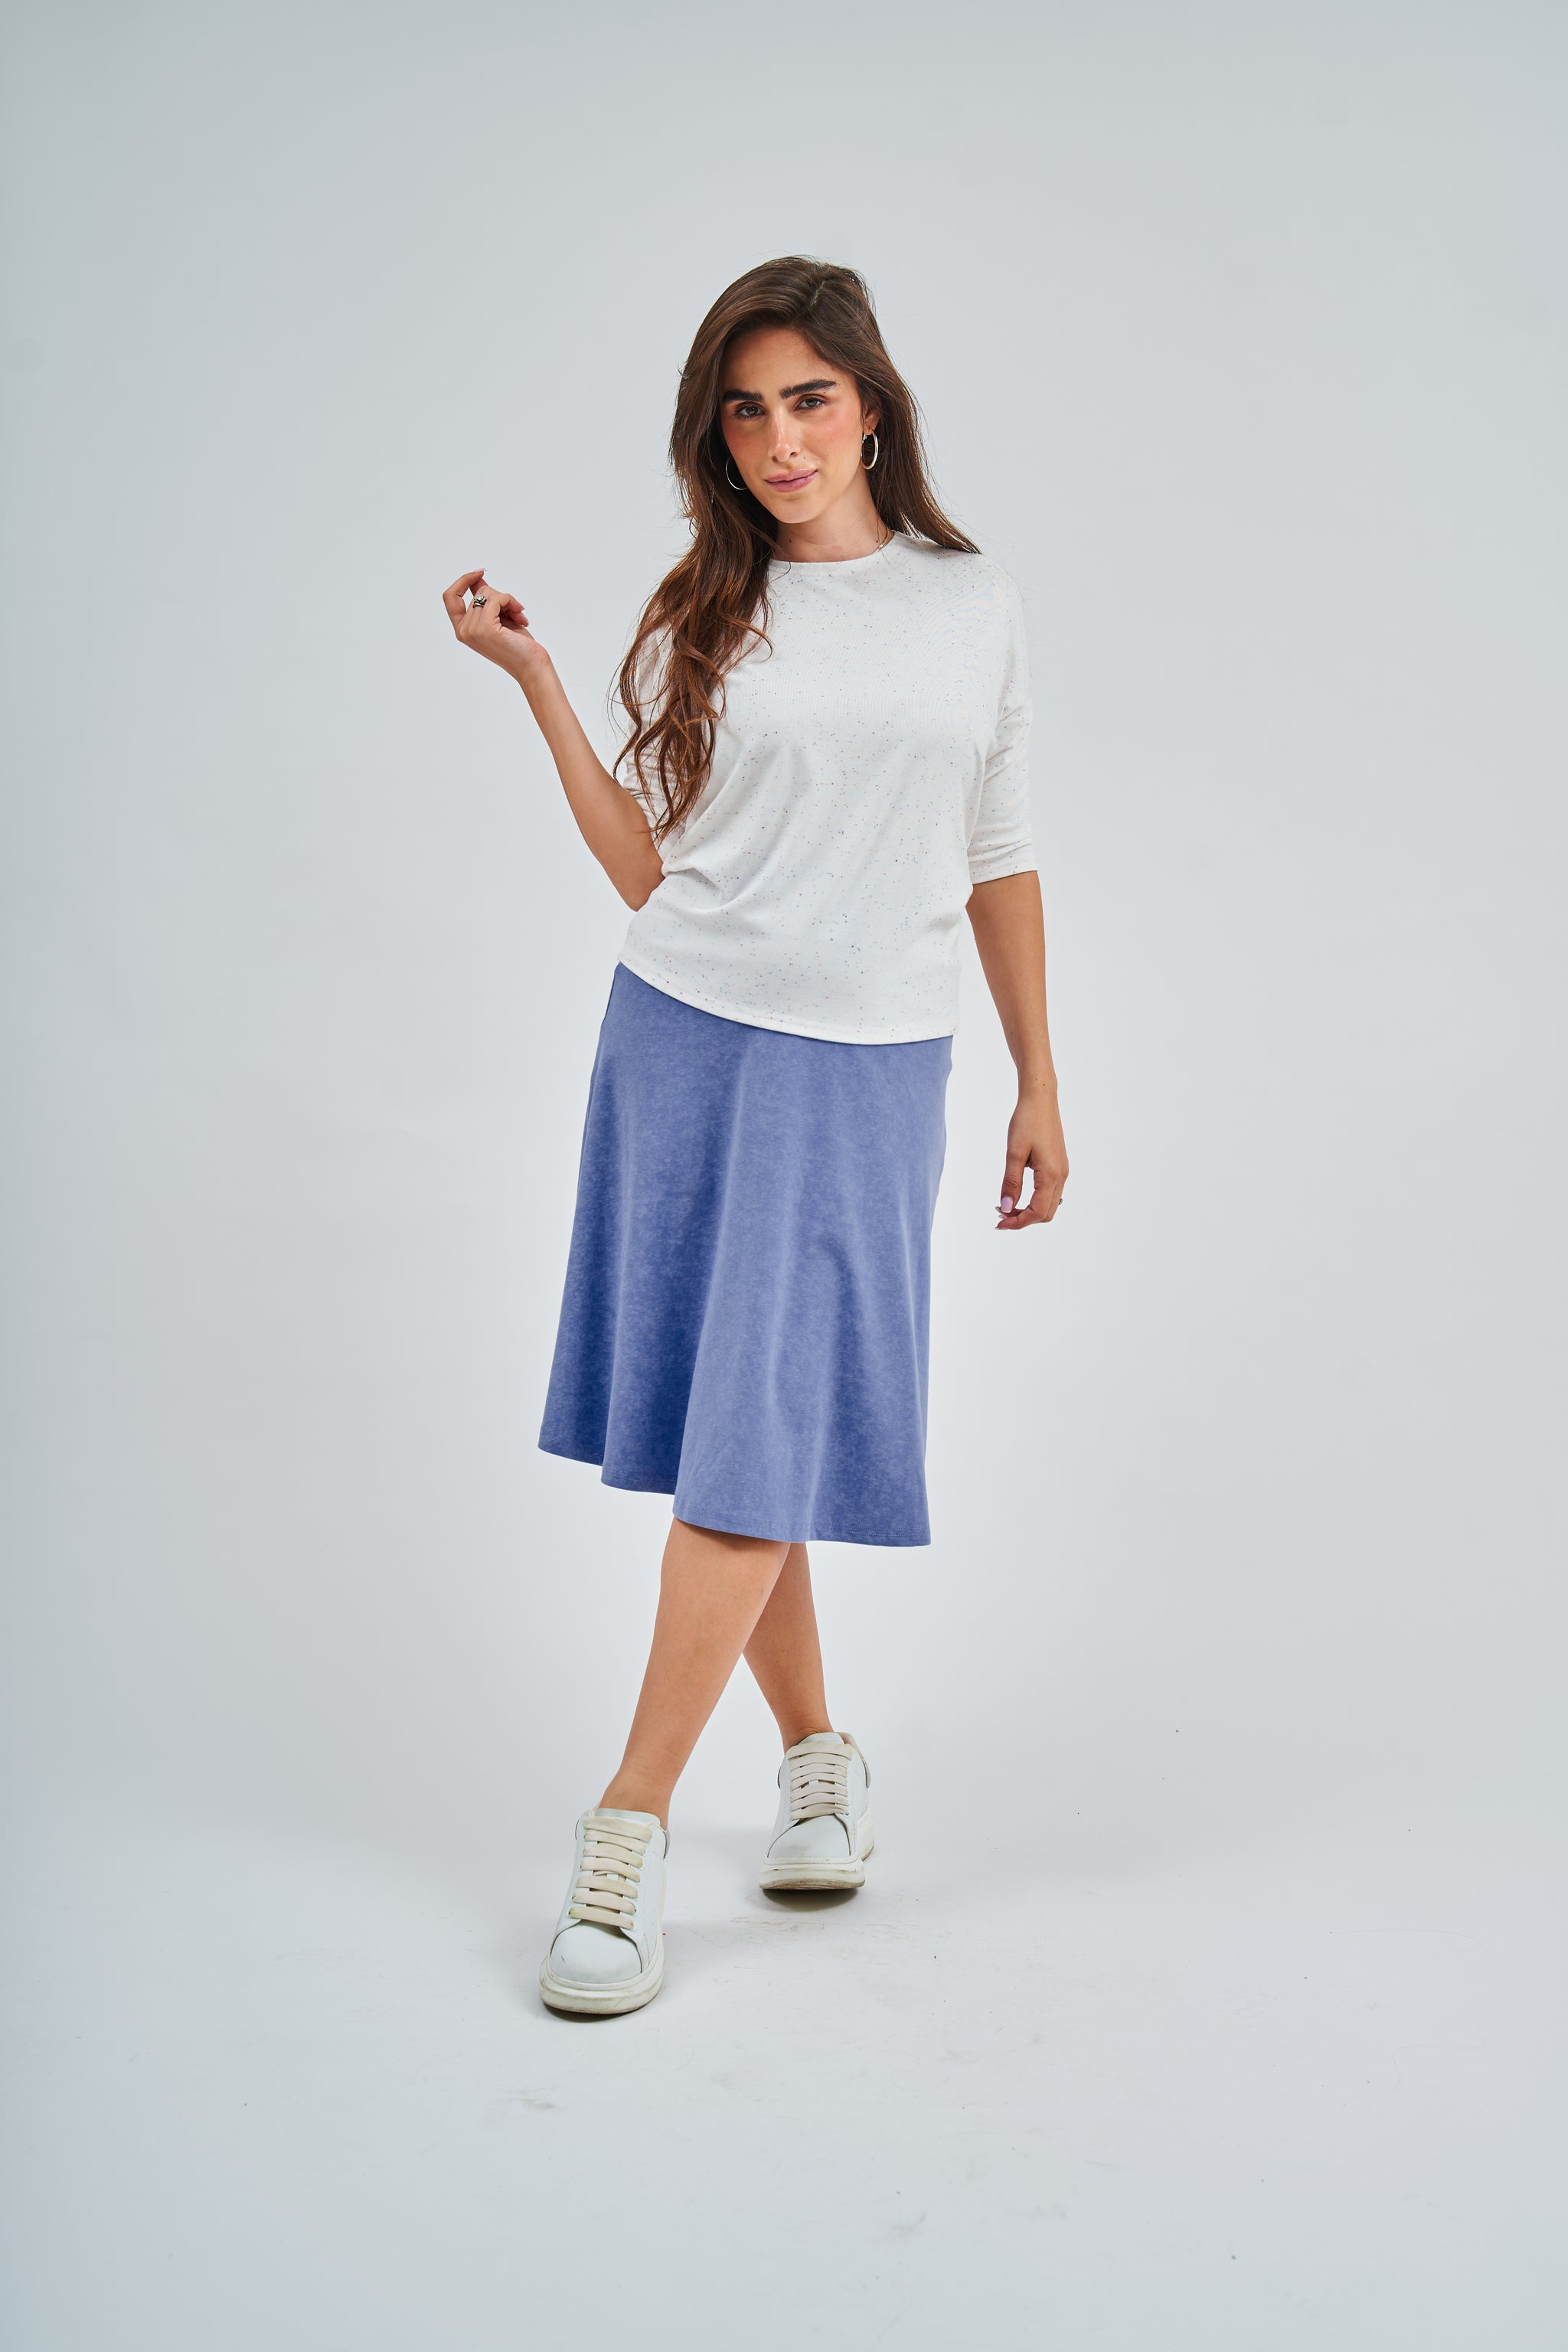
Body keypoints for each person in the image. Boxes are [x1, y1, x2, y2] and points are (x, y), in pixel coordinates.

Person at [442, 256, 1068, 2017]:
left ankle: (627, 1820)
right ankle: (815, 1761)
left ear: (870, 407)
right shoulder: (706, 604)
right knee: (747, 1429)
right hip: (685, 1036)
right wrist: (539, 685)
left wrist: (1039, 1076)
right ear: (714, 437)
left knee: (756, 1424)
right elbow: (654, 870)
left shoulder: (970, 601)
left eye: (809, 400)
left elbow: (999, 849)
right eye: (745, 411)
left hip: (870, 1066)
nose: (780, 440)